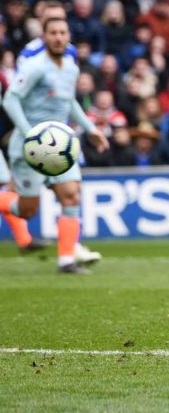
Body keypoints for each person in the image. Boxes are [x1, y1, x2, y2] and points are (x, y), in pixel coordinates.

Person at [0, 18, 109, 274]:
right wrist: (30, 134)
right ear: (45, 37)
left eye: (63, 32)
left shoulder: (70, 67)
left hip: (60, 144)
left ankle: (66, 260)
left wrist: (91, 128)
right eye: (53, 33)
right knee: (27, 210)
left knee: (71, 193)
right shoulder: (35, 67)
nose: (59, 37)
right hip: (30, 147)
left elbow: (69, 101)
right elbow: (10, 100)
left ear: (68, 36)